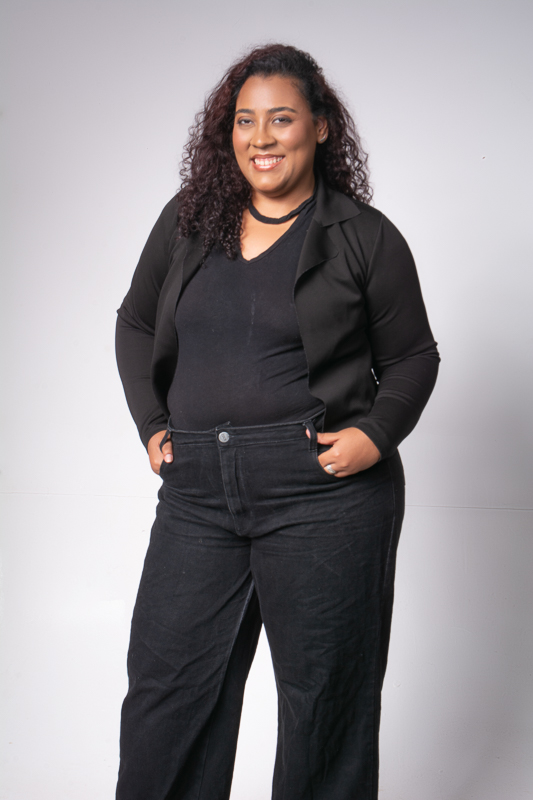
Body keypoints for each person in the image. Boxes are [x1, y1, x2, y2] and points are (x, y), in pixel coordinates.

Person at [115, 43, 439, 800]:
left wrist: (374, 436)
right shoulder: (189, 222)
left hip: (323, 498)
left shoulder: (364, 236)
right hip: (197, 493)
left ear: (320, 127)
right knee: (166, 698)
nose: (261, 138)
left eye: (281, 118)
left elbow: (413, 357)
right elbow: (135, 322)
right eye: (244, 120)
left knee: (324, 706)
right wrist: (152, 424)